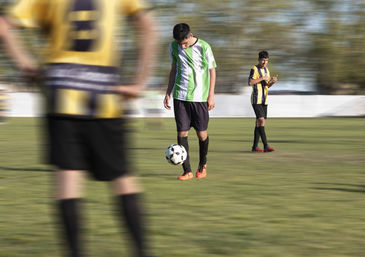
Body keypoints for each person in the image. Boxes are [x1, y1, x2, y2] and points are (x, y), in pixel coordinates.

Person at [0, 0, 156, 256]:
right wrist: (139, 81)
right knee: (122, 179)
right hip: (104, 94)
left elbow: (3, 26)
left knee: (68, 181)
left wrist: (28, 68)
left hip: (61, 94)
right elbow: (148, 25)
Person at [163, 23, 216, 180]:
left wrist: (211, 95)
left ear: (190, 35)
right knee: (182, 133)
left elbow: (212, 71)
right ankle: (187, 171)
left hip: (199, 98)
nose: (183, 46)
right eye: (180, 44)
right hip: (180, 96)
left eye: (185, 43)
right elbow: (173, 70)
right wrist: (168, 92)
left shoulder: (204, 47)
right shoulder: (173, 47)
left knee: (202, 134)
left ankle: (203, 164)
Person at [248, 50, 278, 153]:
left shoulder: (267, 70)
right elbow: (250, 82)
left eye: (266, 60)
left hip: (264, 100)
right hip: (256, 99)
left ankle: (254, 147)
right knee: (261, 120)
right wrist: (262, 78)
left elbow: (266, 86)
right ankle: (266, 145)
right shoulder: (254, 69)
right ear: (259, 60)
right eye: (263, 60)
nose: (264, 63)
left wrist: (272, 82)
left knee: (258, 123)